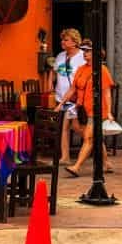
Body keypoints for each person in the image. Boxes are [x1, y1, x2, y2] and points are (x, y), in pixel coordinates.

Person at [57, 39, 115, 177]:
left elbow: (107, 93)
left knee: (88, 138)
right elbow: (72, 89)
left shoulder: (102, 70)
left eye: (88, 51)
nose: (85, 53)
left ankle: (76, 167)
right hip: (82, 109)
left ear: (96, 53)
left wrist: (109, 112)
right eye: (84, 50)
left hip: (97, 110)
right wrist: (61, 103)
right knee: (95, 138)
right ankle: (107, 163)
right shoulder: (81, 69)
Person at [48, 28, 85, 162]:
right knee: (65, 128)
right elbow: (53, 71)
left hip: (73, 99)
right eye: (62, 39)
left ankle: (94, 142)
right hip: (60, 97)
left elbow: (84, 78)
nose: (62, 42)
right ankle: (65, 157)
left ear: (75, 42)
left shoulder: (82, 57)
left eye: (66, 40)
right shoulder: (60, 56)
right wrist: (50, 84)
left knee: (74, 127)